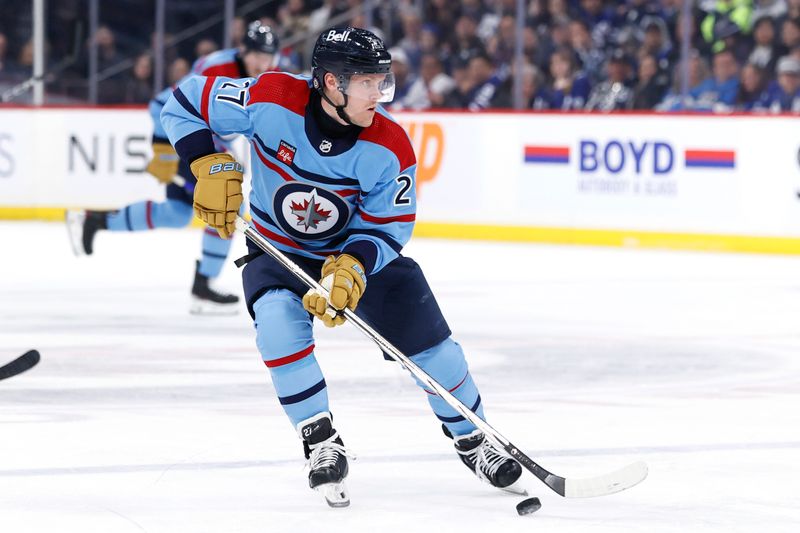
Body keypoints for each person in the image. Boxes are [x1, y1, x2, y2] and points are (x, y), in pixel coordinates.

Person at [159, 26, 524, 506]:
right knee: (276, 324)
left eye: (382, 81)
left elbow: (389, 226)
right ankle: (320, 440)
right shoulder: (270, 96)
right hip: (279, 250)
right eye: (369, 82)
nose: (380, 93)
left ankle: (475, 439)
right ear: (332, 83)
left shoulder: (391, 146)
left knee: (437, 353)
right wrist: (207, 162)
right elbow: (184, 102)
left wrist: (352, 265)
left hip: (356, 257)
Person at [67, 21, 280, 315]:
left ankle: (95, 220)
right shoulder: (216, 68)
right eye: (257, 54)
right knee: (229, 206)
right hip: (192, 145)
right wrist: (164, 149)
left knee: (178, 214)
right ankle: (203, 286)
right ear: (243, 50)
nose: (262, 62)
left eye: (268, 56)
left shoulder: (271, 77)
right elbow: (162, 104)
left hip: (211, 147)